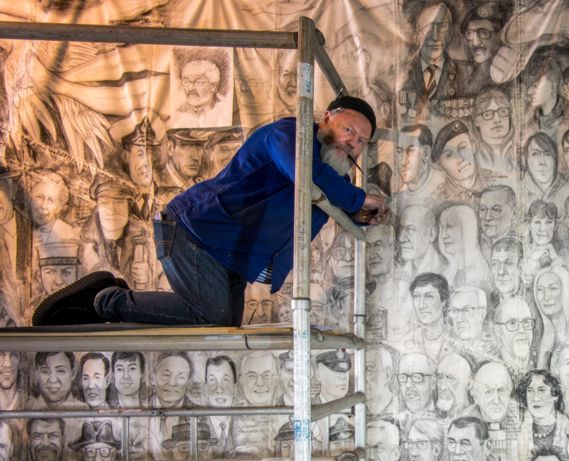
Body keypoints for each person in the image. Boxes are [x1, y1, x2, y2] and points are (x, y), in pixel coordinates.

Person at [34, 95, 387, 326]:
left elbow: (314, 198)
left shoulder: (326, 175)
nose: (351, 142)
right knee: (212, 318)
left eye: (360, 141)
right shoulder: (288, 135)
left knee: (223, 326)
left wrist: (352, 212)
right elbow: (305, 174)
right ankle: (105, 301)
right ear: (326, 119)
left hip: (227, 253)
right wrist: (358, 199)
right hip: (195, 233)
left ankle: (109, 296)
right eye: (348, 129)